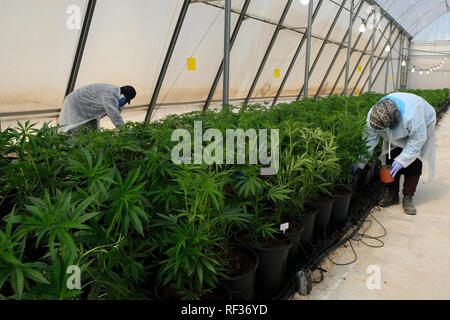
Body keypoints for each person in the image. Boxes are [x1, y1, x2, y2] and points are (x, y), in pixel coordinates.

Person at [355, 92, 436, 215]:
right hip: (396, 124)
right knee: (390, 157)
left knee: (414, 161)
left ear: (392, 125)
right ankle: (392, 195)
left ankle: (408, 196)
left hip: (422, 124)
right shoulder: (373, 116)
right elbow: (369, 141)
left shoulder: (412, 116)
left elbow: (417, 141)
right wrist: (360, 161)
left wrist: (402, 160)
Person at [58, 83, 136, 134]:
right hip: (76, 105)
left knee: (93, 132)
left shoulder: (116, 95)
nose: (124, 102)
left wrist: (122, 128)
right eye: (126, 99)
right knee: (77, 131)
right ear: (123, 94)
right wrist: (124, 130)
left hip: (87, 109)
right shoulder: (110, 94)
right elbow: (113, 114)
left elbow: (117, 111)